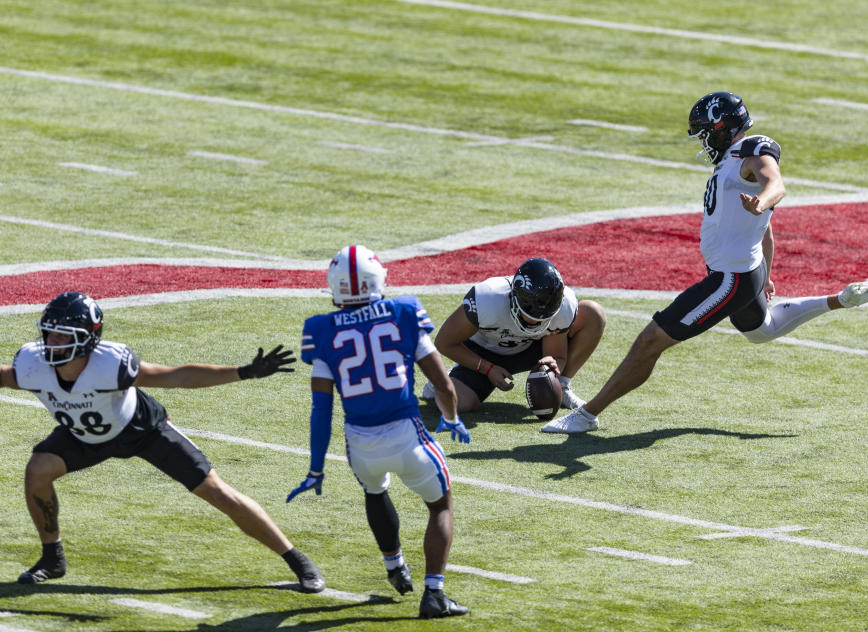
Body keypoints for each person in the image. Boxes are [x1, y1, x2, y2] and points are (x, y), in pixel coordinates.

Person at [544, 91, 868, 434]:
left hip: (730, 278)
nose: (702, 142)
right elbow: (765, 228)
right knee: (763, 331)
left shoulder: (751, 151)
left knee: (651, 340)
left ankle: (587, 414)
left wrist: (762, 201)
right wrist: (767, 272)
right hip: (748, 269)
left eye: (704, 133)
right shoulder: (731, 163)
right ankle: (843, 298)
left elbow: (775, 184)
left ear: (721, 127)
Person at [0, 291, 325, 591]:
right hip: (82, 436)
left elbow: (175, 376)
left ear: (89, 339)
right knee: (37, 471)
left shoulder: (109, 364)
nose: (52, 342)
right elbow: (5, 377)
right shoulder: (32, 364)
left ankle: (298, 561)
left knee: (217, 491)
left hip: (141, 430)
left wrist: (242, 372)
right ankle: (52, 558)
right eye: (50, 332)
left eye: (63, 335)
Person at [288, 245, 468, 619]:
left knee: (374, 489)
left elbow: (320, 411)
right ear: (377, 280)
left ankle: (394, 565)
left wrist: (316, 467)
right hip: (407, 434)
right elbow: (443, 386)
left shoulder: (320, 330)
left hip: (360, 443)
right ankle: (434, 592)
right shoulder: (403, 313)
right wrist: (450, 418)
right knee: (440, 505)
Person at [423, 257, 606, 416]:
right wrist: (487, 368)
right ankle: (445, 379)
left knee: (592, 314)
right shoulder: (489, 298)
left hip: (532, 347)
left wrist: (553, 366)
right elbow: (444, 342)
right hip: (485, 351)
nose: (536, 323)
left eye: (543, 318)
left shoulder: (564, 305)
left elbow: (557, 355)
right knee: (456, 403)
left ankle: (563, 386)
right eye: (531, 316)